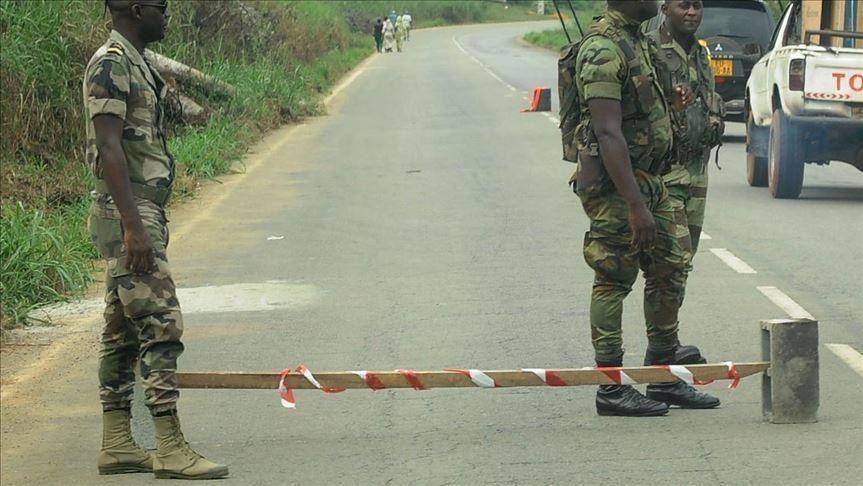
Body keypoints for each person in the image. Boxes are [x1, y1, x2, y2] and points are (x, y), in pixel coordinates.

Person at [86, 0, 228, 479]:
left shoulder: (138, 62)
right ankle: (169, 446)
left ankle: (117, 443)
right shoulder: (110, 63)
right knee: (161, 324)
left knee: (121, 331)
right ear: (134, 8)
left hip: (141, 209)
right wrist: (133, 225)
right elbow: (108, 147)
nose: (166, 14)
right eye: (160, 7)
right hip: (128, 211)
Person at [569, 0, 719, 417]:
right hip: (617, 187)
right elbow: (607, 132)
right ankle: (611, 387)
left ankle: (663, 373)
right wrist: (635, 205)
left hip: (653, 178)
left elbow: (640, 105)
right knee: (613, 277)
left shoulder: (636, 39)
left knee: (672, 265)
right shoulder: (602, 49)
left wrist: (670, 101)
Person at [648, 0, 724, 254]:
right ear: (665, 10)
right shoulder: (649, 47)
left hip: (697, 170)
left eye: (697, 6)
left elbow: (708, 98)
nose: (692, 12)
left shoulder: (700, 53)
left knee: (683, 260)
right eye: (683, 6)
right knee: (674, 258)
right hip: (665, 173)